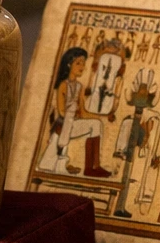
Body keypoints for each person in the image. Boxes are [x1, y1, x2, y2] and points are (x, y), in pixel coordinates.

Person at [37, 47, 107, 176]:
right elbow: (62, 111)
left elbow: (83, 112)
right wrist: (72, 112)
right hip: (64, 124)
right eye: (78, 63)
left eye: (83, 62)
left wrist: (99, 117)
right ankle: (61, 162)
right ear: (69, 65)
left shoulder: (79, 86)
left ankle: (92, 167)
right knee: (68, 124)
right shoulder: (63, 85)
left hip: (73, 123)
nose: (82, 66)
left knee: (96, 124)